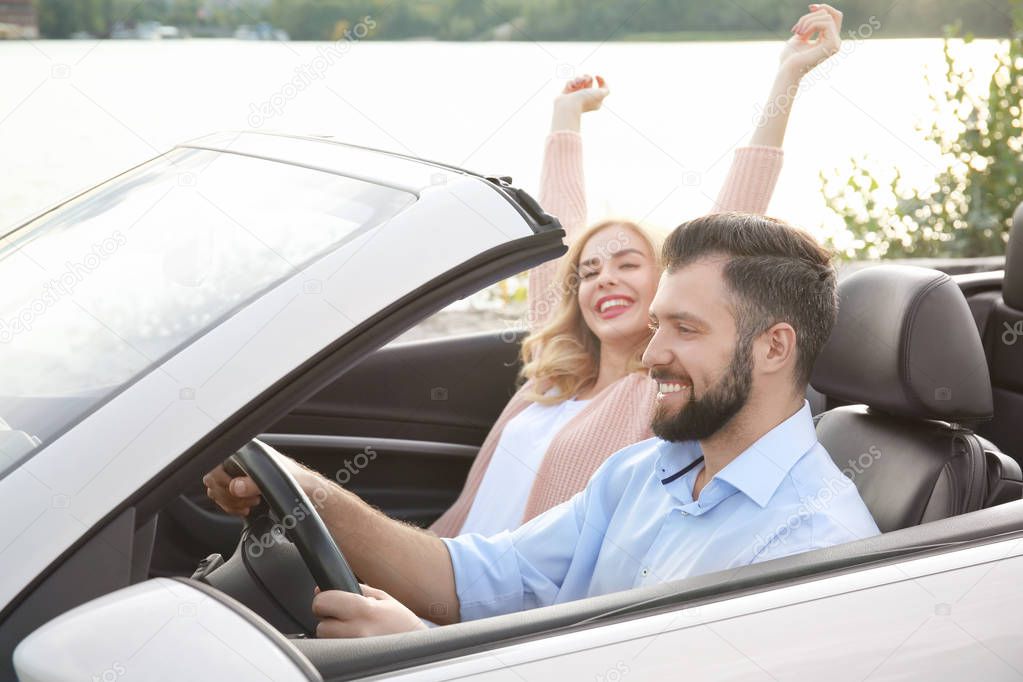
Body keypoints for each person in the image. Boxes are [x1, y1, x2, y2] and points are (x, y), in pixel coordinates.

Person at [203, 4, 850, 540]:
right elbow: (559, 238)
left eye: (629, 264)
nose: (602, 279)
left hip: (504, 625)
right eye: (591, 272)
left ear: (670, 289)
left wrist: (786, 77)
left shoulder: (653, 395)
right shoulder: (555, 379)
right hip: (441, 575)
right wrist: (564, 120)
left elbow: (730, 224)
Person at [210, 212, 881, 637]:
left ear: (773, 347)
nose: (649, 356)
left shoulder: (810, 546)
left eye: (684, 328)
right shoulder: (640, 472)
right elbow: (466, 578)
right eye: (656, 325)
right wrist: (301, 489)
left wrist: (420, 651)